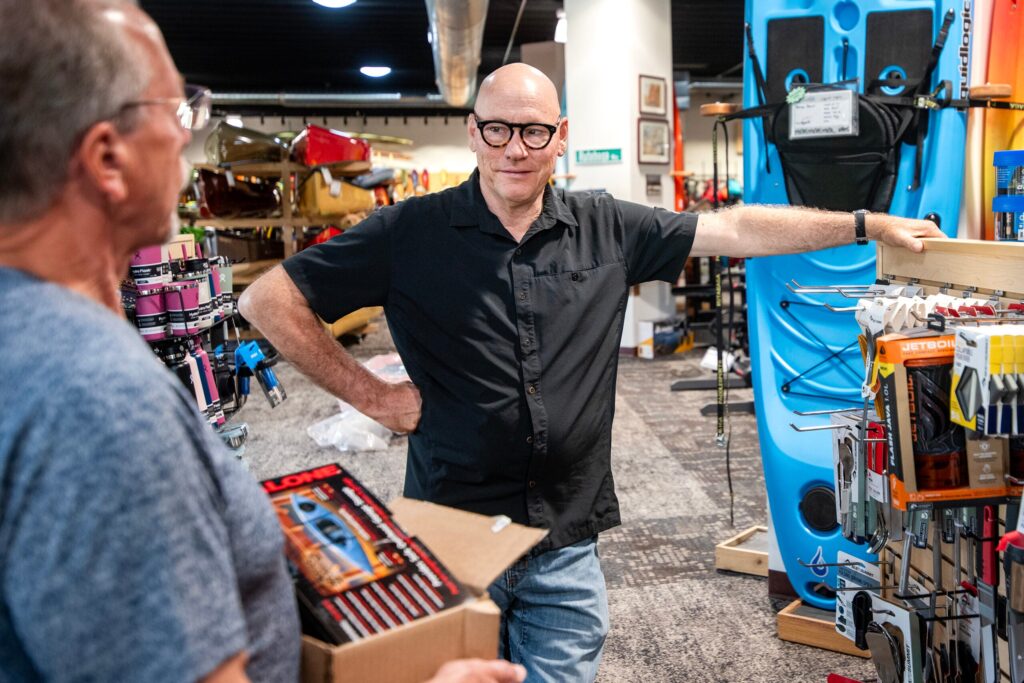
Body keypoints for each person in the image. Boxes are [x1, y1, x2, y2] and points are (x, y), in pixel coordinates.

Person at [238, 64, 944, 681]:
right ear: (474, 133)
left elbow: (736, 229)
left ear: (561, 136)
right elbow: (268, 300)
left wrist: (867, 224)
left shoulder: (605, 227)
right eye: (498, 130)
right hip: (454, 533)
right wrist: (374, 396)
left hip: (565, 540)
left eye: (534, 131)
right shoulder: (409, 232)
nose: (516, 148)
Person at [0, 3, 526, 683]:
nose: (190, 131)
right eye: (176, 108)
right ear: (107, 158)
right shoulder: (100, 400)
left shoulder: (32, 335)